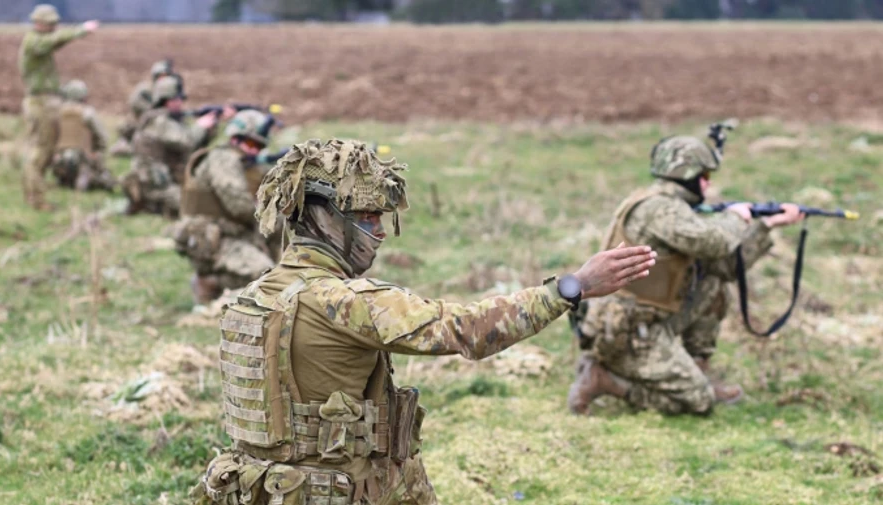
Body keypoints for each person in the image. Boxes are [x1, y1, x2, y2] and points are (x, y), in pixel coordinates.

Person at [189, 139, 656, 504]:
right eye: (367, 217)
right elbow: (466, 329)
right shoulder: (342, 302)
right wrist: (570, 288)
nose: (378, 233)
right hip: (337, 491)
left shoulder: (253, 295)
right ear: (322, 218)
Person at [566, 131, 805, 417]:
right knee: (698, 402)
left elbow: (725, 266)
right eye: (704, 175)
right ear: (687, 175)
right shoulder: (659, 209)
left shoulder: (671, 207)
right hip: (626, 331)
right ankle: (606, 381)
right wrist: (736, 216)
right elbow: (714, 241)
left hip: (648, 319)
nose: (708, 182)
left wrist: (766, 225)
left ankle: (697, 368)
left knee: (712, 284)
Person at [173, 110, 278, 304]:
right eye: (250, 143)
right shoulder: (223, 158)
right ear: (235, 139)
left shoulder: (246, 164)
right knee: (265, 275)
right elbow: (238, 204)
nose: (254, 150)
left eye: (259, 146)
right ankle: (210, 282)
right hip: (212, 237)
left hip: (230, 232)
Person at [18, 4, 98, 210]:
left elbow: (53, 43)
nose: (54, 27)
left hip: (45, 101)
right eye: (51, 24)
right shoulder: (34, 41)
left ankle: (33, 194)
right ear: (39, 23)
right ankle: (37, 199)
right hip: (40, 103)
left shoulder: (40, 42)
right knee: (41, 150)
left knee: (45, 148)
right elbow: (53, 41)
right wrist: (80, 31)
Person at [121, 74, 219, 217]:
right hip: (156, 186)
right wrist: (200, 126)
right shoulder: (159, 121)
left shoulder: (164, 120)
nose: (181, 103)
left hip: (161, 182)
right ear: (167, 100)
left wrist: (209, 130)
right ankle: (150, 204)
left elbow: (191, 149)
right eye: (177, 99)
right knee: (197, 208)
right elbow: (188, 141)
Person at [50, 79, 115, 191]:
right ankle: (86, 179)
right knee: (108, 180)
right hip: (81, 160)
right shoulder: (87, 112)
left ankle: (64, 179)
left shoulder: (56, 112)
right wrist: (97, 153)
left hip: (58, 161)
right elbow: (103, 137)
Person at [109, 59, 174, 157]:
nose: (163, 79)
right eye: (161, 76)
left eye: (166, 76)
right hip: (140, 124)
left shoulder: (168, 92)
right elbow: (135, 104)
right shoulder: (145, 89)